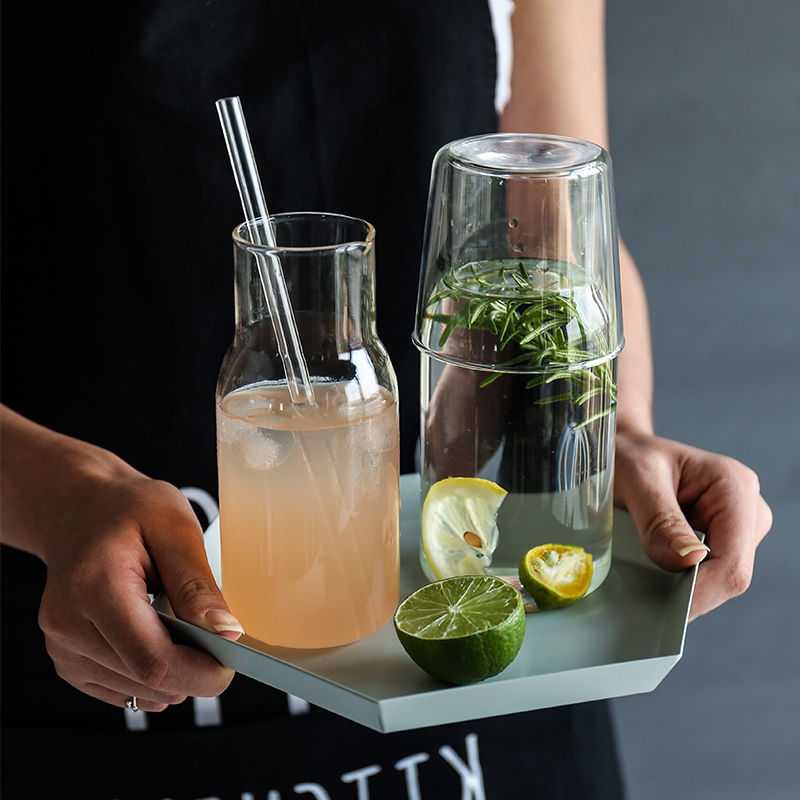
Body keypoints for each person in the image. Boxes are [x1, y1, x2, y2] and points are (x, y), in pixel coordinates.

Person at [0, 1, 771, 798]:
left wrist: (615, 427)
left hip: (481, 654)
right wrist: (53, 493)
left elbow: (566, 221)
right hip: (110, 667)